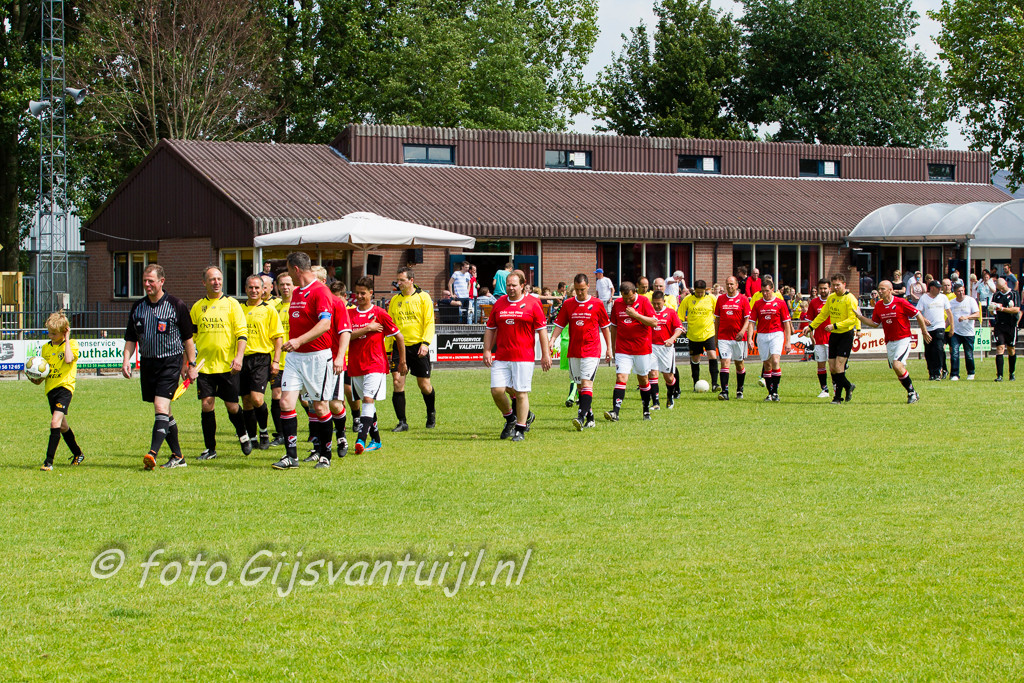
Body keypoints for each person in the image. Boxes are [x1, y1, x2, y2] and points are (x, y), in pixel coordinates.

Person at [122, 264, 197, 470]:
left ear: (161, 281)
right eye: (144, 281)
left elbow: (188, 339)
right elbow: (131, 338)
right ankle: (178, 457)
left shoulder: (176, 305)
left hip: (170, 362)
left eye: (151, 281)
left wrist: (191, 364)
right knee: (166, 411)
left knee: (160, 406)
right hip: (148, 363)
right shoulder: (138, 307)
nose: (147, 285)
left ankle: (152, 453)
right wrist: (126, 360)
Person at [272, 252, 339, 470]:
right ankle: (291, 457)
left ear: (295, 269)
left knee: (320, 407)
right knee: (285, 402)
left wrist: (299, 340)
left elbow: (325, 324)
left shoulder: (320, 291)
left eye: (288, 269)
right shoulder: (297, 292)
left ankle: (325, 455)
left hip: (317, 357)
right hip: (295, 357)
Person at [191, 266, 251, 460]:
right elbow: (191, 339)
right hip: (204, 367)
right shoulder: (197, 307)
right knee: (207, 405)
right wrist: (189, 364)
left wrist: (239, 357)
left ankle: (243, 434)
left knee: (232, 406)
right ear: (204, 282)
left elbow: (242, 334)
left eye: (218, 278)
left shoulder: (232, 304)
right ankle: (210, 449)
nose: (216, 282)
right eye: (212, 279)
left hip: (227, 366)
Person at [484, 271, 551, 441]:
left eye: (514, 285)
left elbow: (542, 331)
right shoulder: (499, 303)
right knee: (496, 390)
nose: (511, 288)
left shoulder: (533, 303)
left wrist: (545, 354)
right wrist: (487, 350)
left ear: (522, 286)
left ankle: (520, 429)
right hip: (502, 356)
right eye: (508, 285)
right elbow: (490, 329)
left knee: (521, 393)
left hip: (523, 356)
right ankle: (510, 418)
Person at [347, 277, 405, 454]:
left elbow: (399, 336)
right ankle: (376, 440)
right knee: (367, 402)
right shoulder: (349, 314)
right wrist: (367, 329)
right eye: (357, 293)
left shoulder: (379, 313)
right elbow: (345, 337)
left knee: (367, 399)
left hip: (375, 363)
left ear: (371, 293)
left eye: (363, 293)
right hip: (356, 364)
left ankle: (361, 439)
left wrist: (402, 361)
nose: (359, 296)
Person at [549, 273, 612, 430]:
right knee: (579, 387)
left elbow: (605, 328)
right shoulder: (568, 304)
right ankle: (590, 417)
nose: (579, 292)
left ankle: (580, 416)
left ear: (588, 286)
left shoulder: (597, 303)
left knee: (586, 384)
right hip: (574, 351)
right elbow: (560, 324)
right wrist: (552, 340)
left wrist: (609, 348)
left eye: (582, 289)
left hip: (591, 350)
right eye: (577, 289)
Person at [861, 280, 930, 403]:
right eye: (879, 289)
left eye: (883, 289)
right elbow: (875, 323)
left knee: (897, 365)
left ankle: (911, 393)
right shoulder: (879, 305)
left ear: (890, 290)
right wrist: (859, 317)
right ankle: (912, 392)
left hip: (903, 339)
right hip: (890, 341)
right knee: (897, 368)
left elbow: (918, 314)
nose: (880, 291)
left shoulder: (901, 302)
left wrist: (924, 332)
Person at [33, 311, 84, 470]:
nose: (51, 336)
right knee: (62, 426)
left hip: (65, 388)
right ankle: (78, 453)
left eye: (54, 333)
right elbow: (44, 372)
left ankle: (48, 462)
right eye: (49, 333)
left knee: (55, 422)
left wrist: (67, 339)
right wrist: (36, 378)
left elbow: (68, 359)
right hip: (51, 390)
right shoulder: (46, 348)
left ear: (64, 331)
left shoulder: (72, 344)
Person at [387, 267, 437, 432]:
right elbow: (390, 326)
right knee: (397, 382)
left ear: (411, 281)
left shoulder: (423, 297)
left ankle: (431, 412)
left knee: (424, 385)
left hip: (418, 346)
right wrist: (388, 349)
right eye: (398, 280)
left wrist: (425, 343)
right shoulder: (395, 300)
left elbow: (429, 322)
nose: (399, 283)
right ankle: (402, 422)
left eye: (402, 280)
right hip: (398, 347)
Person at [803, 273, 862, 403]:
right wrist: (811, 327)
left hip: (845, 335)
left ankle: (837, 397)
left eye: (838, 285)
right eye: (834, 285)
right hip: (834, 335)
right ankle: (848, 386)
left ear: (844, 284)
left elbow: (852, 319)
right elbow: (823, 315)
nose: (835, 288)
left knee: (839, 366)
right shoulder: (832, 298)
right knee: (833, 368)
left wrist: (835, 325)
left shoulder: (850, 299)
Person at [241, 275, 284, 450]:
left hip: (261, 358)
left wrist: (276, 361)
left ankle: (264, 431)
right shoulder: (238, 309)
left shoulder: (269, 310)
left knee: (257, 399)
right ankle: (252, 438)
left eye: (257, 288)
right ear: (245, 289)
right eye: (251, 288)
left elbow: (278, 337)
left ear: (263, 290)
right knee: (246, 400)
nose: (254, 291)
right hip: (242, 359)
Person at [605, 281, 657, 421]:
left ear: (635, 292)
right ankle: (615, 413)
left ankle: (646, 411)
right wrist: (613, 348)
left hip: (642, 348)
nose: (627, 301)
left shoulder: (644, 301)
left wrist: (636, 315)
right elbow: (614, 326)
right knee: (621, 378)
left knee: (643, 379)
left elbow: (654, 322)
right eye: (625, 298)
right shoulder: (617, 303)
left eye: (630, 298)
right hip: (623, 348)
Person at [745, 277, 791, 401]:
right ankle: (770, 393)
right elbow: (751, 322)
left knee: (775, 360)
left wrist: (788, 341)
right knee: (767, 364)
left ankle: (775, 392)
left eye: (767, 291)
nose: (765, 293)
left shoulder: (780, 303)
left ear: (772, 289)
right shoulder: (757, 304)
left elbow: (786, 323)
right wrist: (750, 339)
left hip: (776, 334)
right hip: (762, 335)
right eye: (763, 291)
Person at [714, 276, 751, 400]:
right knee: (724, 362)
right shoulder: (720, 299)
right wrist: (716, 337)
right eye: (727, 284)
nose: (729, 286)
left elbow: (748, 319)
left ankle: (740, 389)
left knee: (739, 364)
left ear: (736, 285)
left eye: (731, 284)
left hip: (738, 338)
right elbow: (717, 319)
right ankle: (724, 392)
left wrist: (742, 331)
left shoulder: (743, 299)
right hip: (723, 337)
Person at [679, 280, 720, 391]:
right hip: (693, 335)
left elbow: (718, 314)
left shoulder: (712, 298)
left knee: (712, 355)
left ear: (705, 290)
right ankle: (695, 384)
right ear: (694, 290)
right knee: (695, 359)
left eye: (702, 292)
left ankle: (715, 384)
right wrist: (680, 326)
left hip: (709, 333)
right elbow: (680, 316)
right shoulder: (687, 299)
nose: (700, 294)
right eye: (698, 292)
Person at [269, 271, 294, 446]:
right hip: (278, 360)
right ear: (277, 287)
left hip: (297, 360)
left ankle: (315, 431)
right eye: (282, 285)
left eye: (288, 284)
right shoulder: (274, 308)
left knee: (305, 400)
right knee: (277, 395)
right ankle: (280, 434)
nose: (285, 287)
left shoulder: (299, 306)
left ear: (293, 286)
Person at [648, 291, 683, 409]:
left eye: (658, 303)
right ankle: (655, 403)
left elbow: (679, 328)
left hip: (666, 348)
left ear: (664, 301)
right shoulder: (649, 313)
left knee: (669, 377)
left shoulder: (671, 312)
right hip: (652, 347)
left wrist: (672, 339)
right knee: (653, 373)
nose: (656, 306)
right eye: (654, 303)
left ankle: (670, 396)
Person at [916, 280, 953, 381]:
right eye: (938, 287)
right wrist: (924, 319)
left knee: (938, 349)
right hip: (928, 329)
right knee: (929, 351)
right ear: (932, 288)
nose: (940, 289)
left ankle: (938, 372)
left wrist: (951, 327)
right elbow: (918, 312)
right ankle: (931, 372)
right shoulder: (924, 298)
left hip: (939, 326)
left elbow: (949, 312)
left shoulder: (943, 297)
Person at [803, 279, 833, 398]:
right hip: (819, 338)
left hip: (833, 338)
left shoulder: (834, 300)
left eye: (825, 288)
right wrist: (811, 337)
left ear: (829, 288)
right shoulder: (814, 302)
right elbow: (810, 321)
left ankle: (836, 387)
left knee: (833, 366)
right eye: (821, 288)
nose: (823, 290)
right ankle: (824, 390)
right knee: (821, 365)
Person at [949, 283, 981, 380]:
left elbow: (977, 314)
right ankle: (954, 374)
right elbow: (949, 318)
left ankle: (971, 372)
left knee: (969, 354)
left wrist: (967, 317)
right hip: (956, 332)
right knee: (954, 353)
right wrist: (945, 327)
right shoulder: (951, 303)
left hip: (968, 332)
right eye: (958, 291)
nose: (961, 293)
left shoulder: (971, 300)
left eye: (962, 291)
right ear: (954, 293)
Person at [991, 277, 1021, 381]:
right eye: (1000, 289)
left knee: (1011, 349)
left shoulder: (1014, 294)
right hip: (999, 325)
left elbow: (1016, 309)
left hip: (1011, 325)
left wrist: (1002, 309)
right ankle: (999, 375)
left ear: (1006, 283)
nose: (1001, 290)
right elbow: (993, 311)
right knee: (1000, 348)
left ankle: (1011, 373)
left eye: (1002, 288)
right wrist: (992, 309)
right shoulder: (996, 295)